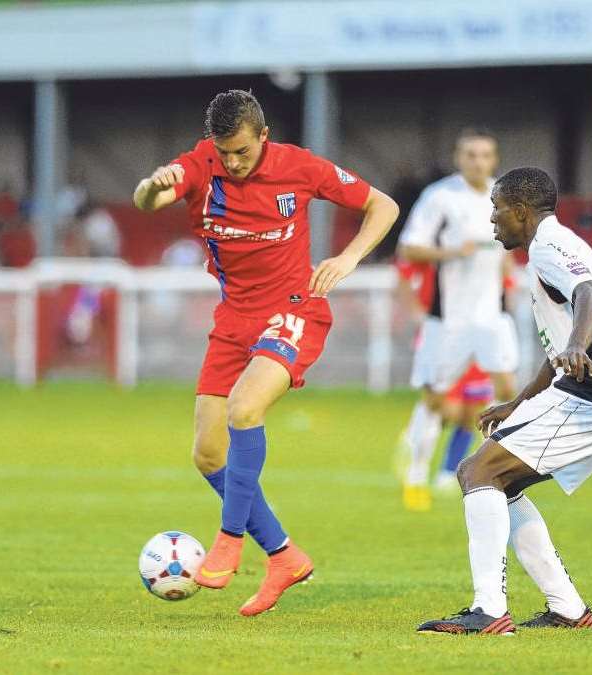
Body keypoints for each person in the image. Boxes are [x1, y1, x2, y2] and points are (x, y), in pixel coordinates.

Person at [132, 89, 399, 616]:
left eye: (242, 153)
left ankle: (229, 541)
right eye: (224, 152)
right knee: (207, 453)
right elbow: (150, 203)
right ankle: (284, 557)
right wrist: (149, 185)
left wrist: (348, 258)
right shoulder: (200, 165)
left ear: (263, 137)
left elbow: (382, 205)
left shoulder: (298, 167)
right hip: (233, 319)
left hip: (294, 308)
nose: (232, 162)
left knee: (245, 409)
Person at [418, 167, 592, 635]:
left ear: (521, 211)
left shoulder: (549, 246)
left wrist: (579, 344)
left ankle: (489, 610)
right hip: (591, 388)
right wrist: (519, 401)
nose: (493, 219)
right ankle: (567, 609)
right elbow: (559, 345)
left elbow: (588, 296)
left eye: (497, 209)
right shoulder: (546, 249)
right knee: (502, 481)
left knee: (478, 471)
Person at [396, 129, 519, 511]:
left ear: (494, 159)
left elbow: (512, 249)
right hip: (447, 318)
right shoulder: (440, 197)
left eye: (485, 154)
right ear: (458, 158)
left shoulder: (506, 195)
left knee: (509, 388)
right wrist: (451, 252)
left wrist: (509, 274)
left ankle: (491, 473)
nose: (478, 161)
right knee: (435, 401)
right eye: (470, 154)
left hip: (491, 315)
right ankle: (416, 476)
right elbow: (408, 248)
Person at [394, 259, 500, 510]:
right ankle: (416, 468)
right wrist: (419, 315)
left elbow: (504, 278)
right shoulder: (438, 241)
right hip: (442, 334)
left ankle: (447, 474)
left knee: (472, 413)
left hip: (477, 333)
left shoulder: (488, 246)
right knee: (444, 407)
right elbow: (404, 271)